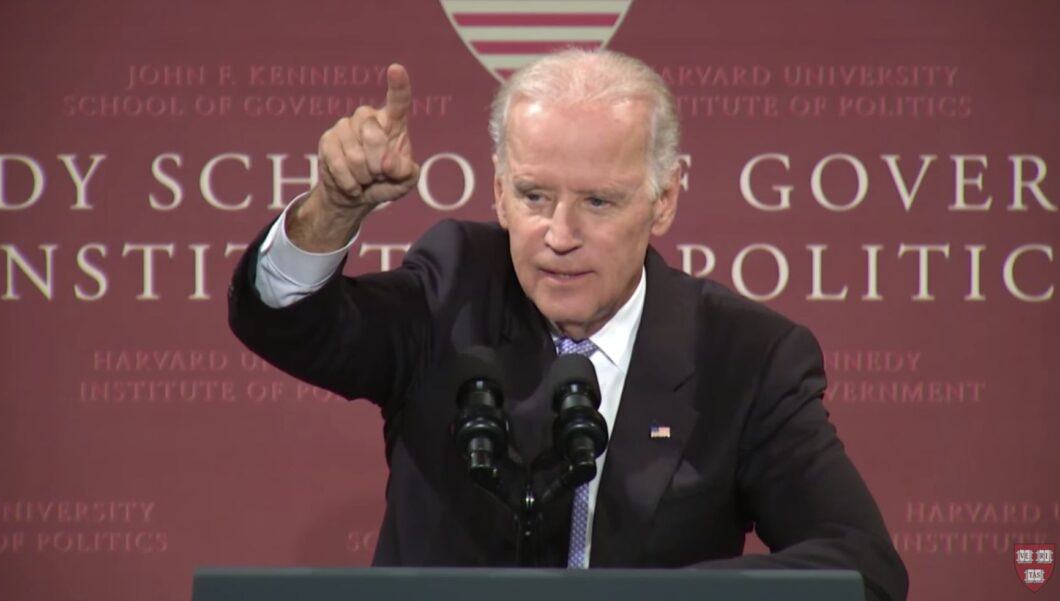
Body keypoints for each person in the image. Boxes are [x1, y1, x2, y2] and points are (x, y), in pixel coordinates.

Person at [228, 49, 908, 601]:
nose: (559, 234)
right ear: (497, 190)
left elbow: (860, 564)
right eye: (533, 195)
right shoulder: (454, 288)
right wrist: (335, 207)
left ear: (663, 199)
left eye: (598, 201)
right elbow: (283, 318)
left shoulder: (745, 355)